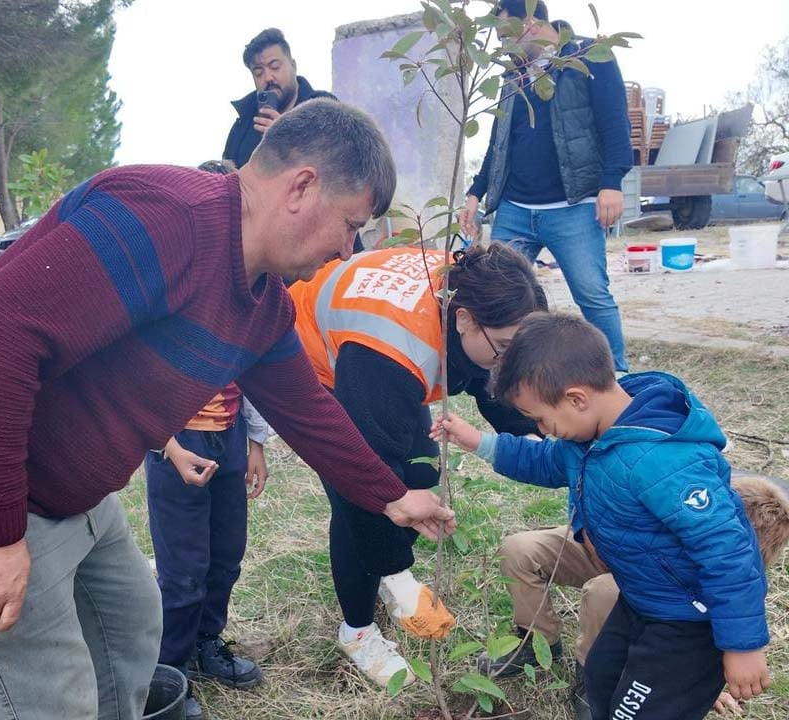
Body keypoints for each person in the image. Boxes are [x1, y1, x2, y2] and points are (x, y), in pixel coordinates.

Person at [0, 98, 455, 720]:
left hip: (66, 494)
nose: (347, 248)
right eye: (349, 223)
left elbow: (307, 409)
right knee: (46, 695)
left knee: (131, 630)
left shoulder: (263, 304)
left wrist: (391, 495)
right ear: (302, 187)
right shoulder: (166, 217)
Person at [434, 314, 771, 720]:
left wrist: (743, 645)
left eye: (541, 418)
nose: (543, 429)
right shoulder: (591, 434)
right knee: (601, 678)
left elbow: (728, 549)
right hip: (642, 601)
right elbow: (545, 460)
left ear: (577, 398)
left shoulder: (663, 461)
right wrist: (479, 442)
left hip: (688, 623)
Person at [287, 242, 547, 687]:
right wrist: (395, 568)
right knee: (367, 497)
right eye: (503, 347)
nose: (508, 361)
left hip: (377, 351)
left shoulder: (475, 292)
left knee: (420, 472)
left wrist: (546, 429)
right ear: (463, 319)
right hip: (314, 361)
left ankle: (384, 567)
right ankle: (357, 630)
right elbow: (364, 482)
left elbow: (493, 381)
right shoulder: (388, 352)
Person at [482, 470, 789, 719]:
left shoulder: (733, 579)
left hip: (658, 585)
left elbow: (710, 636)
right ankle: (536, 642)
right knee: (520, 550)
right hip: (621, 549)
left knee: (604, 593)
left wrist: (695, 688)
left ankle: (591, 680)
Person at [143, 158, 272, 720]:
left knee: (226, 555)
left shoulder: (248, 299)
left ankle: (206, 643)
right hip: (176, 443)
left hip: (230, 437)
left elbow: (261, 375)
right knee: (183, 568)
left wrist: (257, 446)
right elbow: (137, 380)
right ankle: (169, 672)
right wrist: (169, 447)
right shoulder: (168, 293)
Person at [457, 0, 633, 373]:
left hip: (573, 208)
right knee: (501, 295)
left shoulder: (589, 57)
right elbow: (498, 142)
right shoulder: (512, 76)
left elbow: (615, 124)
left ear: (533, 23)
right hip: (515, 209)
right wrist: (476, 192)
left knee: (592, 296)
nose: (503, 47)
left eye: (507, 35)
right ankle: (521, 373)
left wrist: (611, 182)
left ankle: (617, 377)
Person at [223, 28, 335, 168]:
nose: (268, 77)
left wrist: (286, 139)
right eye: (258, 72)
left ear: (293, 66)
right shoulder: (244, 123)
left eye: (275, 67)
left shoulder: (324, 109)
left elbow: (339, 166)